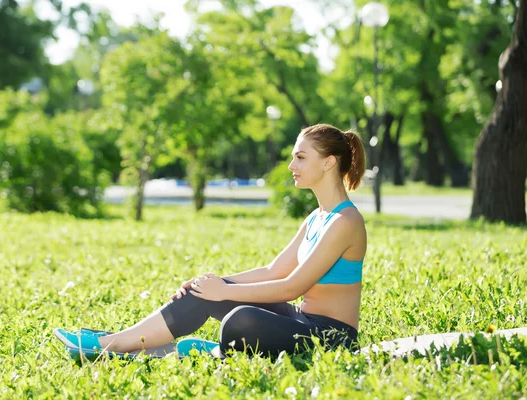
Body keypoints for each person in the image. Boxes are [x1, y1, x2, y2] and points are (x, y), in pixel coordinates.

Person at [54, 123, 367, 358]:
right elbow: (274, 271)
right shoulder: (317, 217)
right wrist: (214, 285)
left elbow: (292, 287)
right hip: (300, 320)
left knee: (240, 320)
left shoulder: (345, 221)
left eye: (300, 157)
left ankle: (211, 351)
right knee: (203, 291)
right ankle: (118, 342)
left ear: (328, 162)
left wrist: (225, 290)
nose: (291, 166)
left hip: (330, 337)